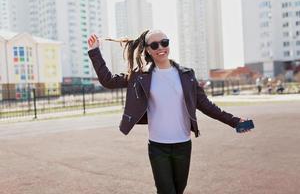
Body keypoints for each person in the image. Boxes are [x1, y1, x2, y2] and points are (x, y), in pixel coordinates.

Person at [87, 30, 252, 194]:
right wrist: (95, 51)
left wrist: (235, 121)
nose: (161, 47)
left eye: (164, 42)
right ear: (147, 50)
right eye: (154, 44)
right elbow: (108, 81)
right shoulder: (140, 76)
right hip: (158, 147)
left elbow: (206, 105)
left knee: (178, 190)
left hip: (183, 145)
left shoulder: (187, 75)